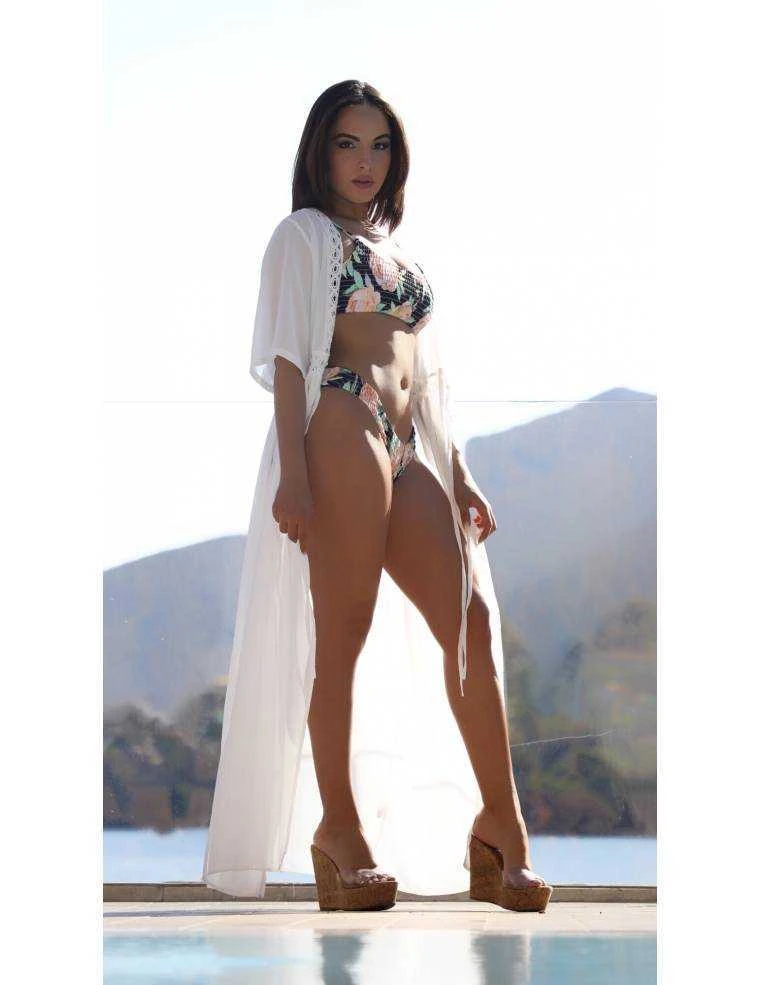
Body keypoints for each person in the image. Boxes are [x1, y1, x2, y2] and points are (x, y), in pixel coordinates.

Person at [202, 80, 551, 913]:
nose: (365, 162)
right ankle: (340, 828)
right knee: (344, 630)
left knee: (470, 621)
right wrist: (294, 472)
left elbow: (425, 381)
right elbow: (289, 359)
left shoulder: (400, 254)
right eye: (347, 143)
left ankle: (499, 826)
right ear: (319, 153)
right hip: (340, 417)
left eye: (380, 145)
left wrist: (458, 470)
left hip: (405, 441)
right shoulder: (303, 235)